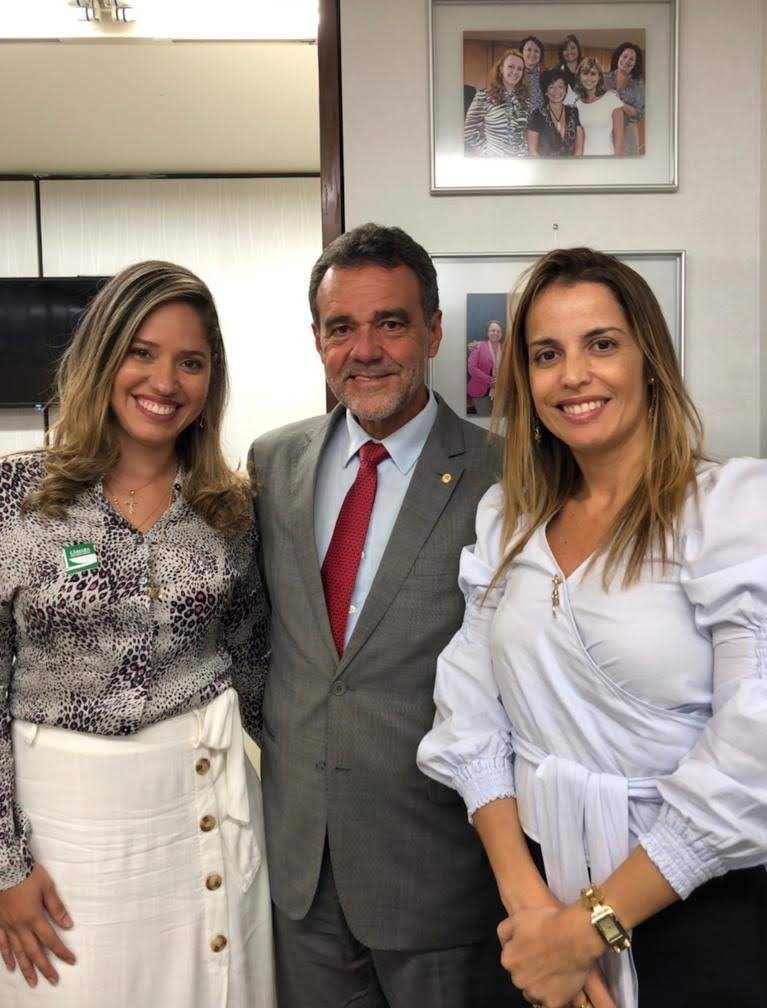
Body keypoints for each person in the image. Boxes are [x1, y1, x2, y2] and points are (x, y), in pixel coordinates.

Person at [418, 247, 767, 1008]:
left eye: (600, 344)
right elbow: (468, 710)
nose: (572, 375)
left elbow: (752, 753)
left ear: (650, 361)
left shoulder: (731, 511)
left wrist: (588, 930)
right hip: (534, 892)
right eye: (546, 355)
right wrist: (531, 907)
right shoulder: (509, 518)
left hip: (691, 907)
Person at [248, 223, 521, 1008]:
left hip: (435, 871)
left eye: (390, 323)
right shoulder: (271, 462)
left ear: (432, 330)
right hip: (301, 869)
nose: (363, 350)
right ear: (317, 340)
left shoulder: (506, 474)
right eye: (341, 327)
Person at [0, 261, 276, 1007]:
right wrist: (4, 868)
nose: (165, 381)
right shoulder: (18, 498)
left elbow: (257, 670)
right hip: (64, 839)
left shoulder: (229, 509)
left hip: (204, 815)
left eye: (191, 362)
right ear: (103, 355)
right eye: (142, 353)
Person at [464, 48, 529, 157]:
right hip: (496, 161)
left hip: (522, 162)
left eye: (519, 69)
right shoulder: (484, 96)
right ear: (501, 69)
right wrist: (487, 152)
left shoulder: (525, 100)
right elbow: (468, 132)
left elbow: (524, 133)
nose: (515, 72)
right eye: (510, 67)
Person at [527, 67, 584, 158]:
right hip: (544, 166)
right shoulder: (537, 115)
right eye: (551, 87)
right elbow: (532, 151)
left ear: (566, 89)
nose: (556, 91)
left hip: (571, 166)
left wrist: (573, 165)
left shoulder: (573, 112)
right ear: (546, 91)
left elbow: (579, 148)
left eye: (560, 86)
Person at [575, 57, 624, 156]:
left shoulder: (612, 99)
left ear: (599, 77)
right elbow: (579, 144)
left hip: (607, 158)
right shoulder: (577, 105)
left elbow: (619, 145)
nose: (589, 78)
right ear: (579, 76)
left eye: (593, 74)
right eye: (585, 73)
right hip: (585, 159)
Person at [605, 43, 645, 156]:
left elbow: (639, 113)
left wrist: (619, 103)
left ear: (635, 64)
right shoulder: (604, 79)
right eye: (625, 56)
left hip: (628, 134)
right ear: (618, 57)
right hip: (605, 132)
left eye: (631, 59)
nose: (627, 60)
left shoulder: (639, 85)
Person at [467, 319, 504, 416]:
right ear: (487, 332)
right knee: (484, 417)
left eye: (498, 331)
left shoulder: (506, 348)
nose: (495, 333)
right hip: (480, 390)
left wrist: (501, 380)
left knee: (499, 419)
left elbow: (510, 369)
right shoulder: (477, 346)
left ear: (501, 334)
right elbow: (472, 368)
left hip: (501, 390)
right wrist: (490, 381)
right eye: (493, 330)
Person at [519, 35, 545, 112]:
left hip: (540, 117)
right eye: (529, 50)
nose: (532, 54)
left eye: (536, 51)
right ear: (522, 52)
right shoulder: (515, 74)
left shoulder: (545, 75)